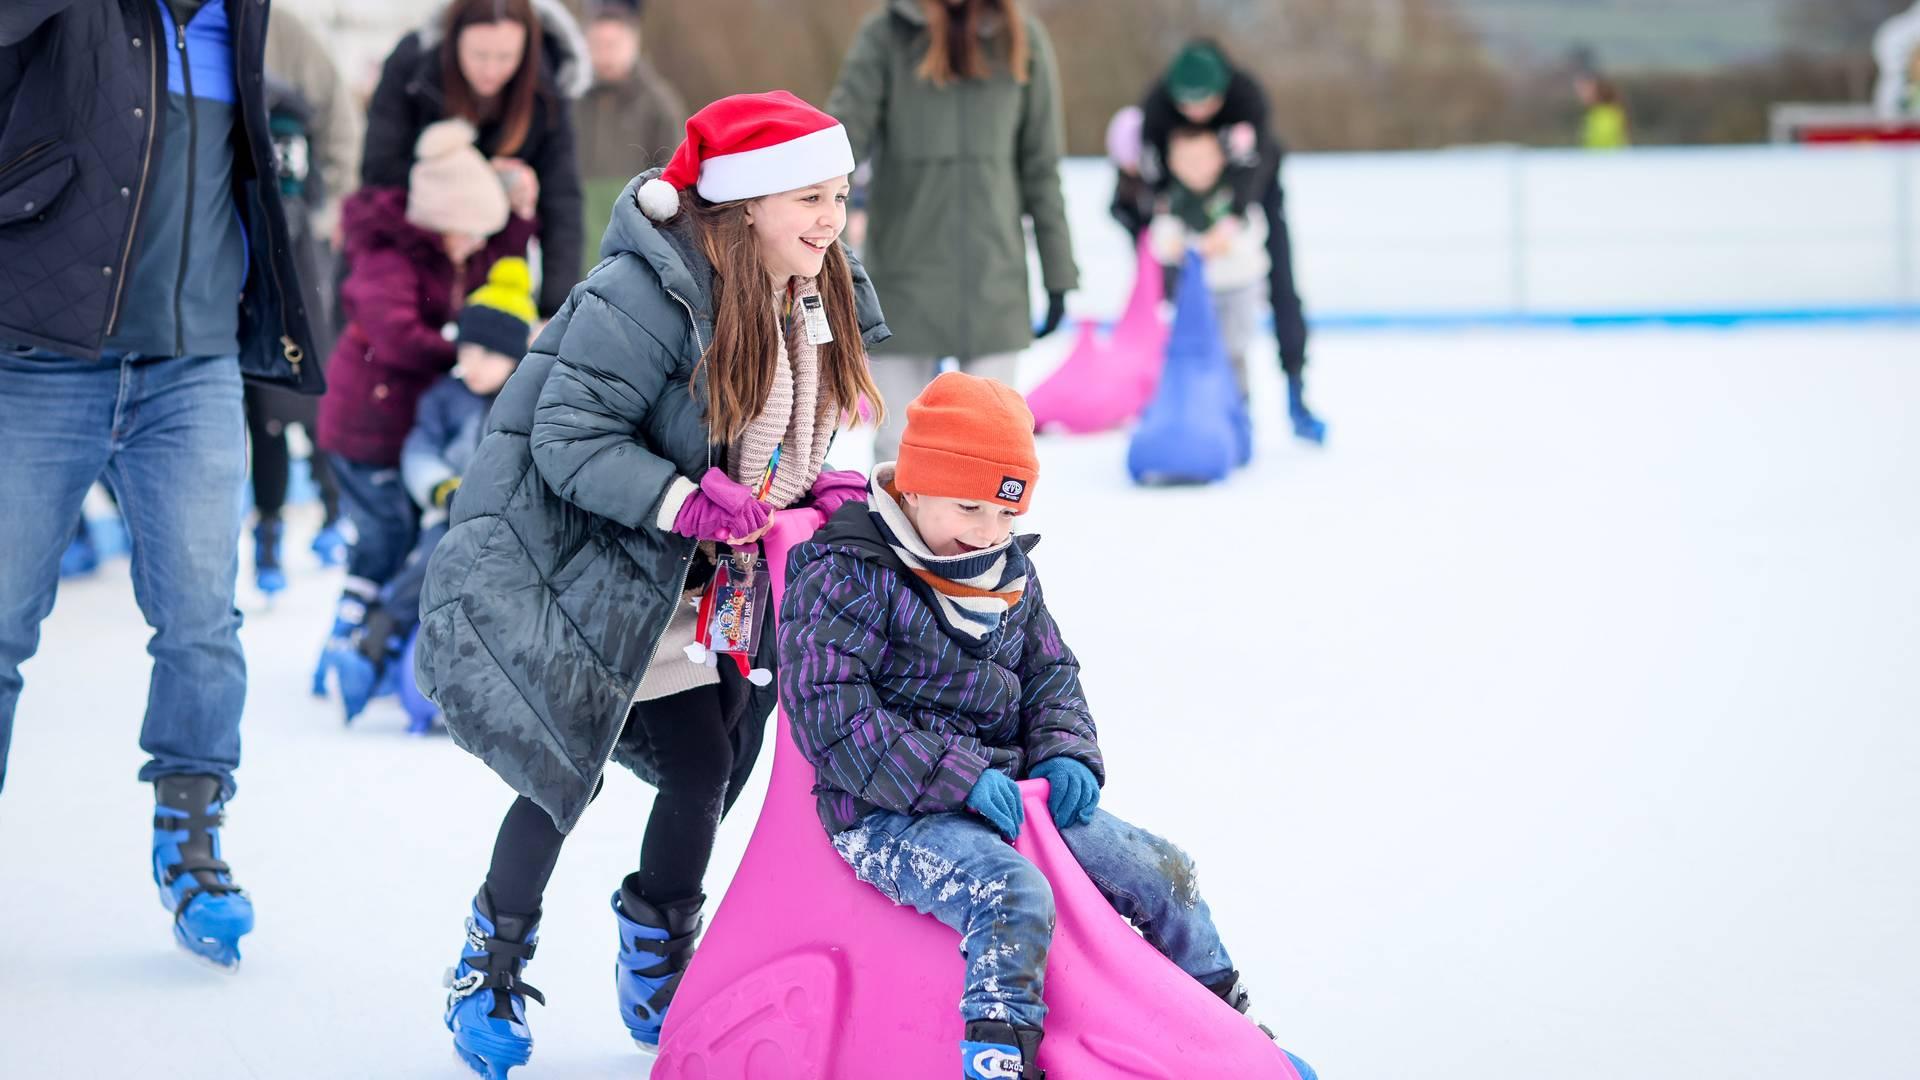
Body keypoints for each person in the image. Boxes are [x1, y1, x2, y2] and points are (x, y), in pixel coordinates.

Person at [413, 91, 889, 1078]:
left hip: (711, 580)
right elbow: (568, 436)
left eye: (838, 196)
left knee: (716, 758)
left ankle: (656, 947)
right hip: (585, 566)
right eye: (809, 197)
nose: (830, 219)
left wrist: (826, 472)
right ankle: (490, 960)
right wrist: (682, 499)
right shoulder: (646, 294)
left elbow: (821, 400)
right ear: (746, 202)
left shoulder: (809, 284)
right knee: (563, 766)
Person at [777, 373, 1306, 1080]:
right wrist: (956, 778)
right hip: (884, 815)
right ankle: (1000, 1057)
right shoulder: (847, 572)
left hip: (1013, 793)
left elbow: (1051, 672)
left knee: (1161, 869)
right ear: (913, 485)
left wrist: (1066, 753)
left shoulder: (1006, 570)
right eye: (969, 508)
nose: (988, 532)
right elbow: (832, 717)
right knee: (1011, 892)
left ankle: (1223, 1025)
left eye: (1005, 513)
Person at [0, 0, 319, 971]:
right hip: (42, 357)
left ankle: (191, 833)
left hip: (193, 366)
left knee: (200, 622)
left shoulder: (245, 18)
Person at [314, 119, 535, 713]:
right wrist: (467, 355)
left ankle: (385, 637)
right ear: (440, 217)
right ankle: (356, 633)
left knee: (410, 540)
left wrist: (517, 217)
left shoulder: (446, 247)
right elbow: (397, 336)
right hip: (364, 423)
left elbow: (504, 275)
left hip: (405, 423)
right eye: (466, 233)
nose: (471, 247)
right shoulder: (390, 259)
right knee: (387, 538)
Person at [828, 0, 1077, 459]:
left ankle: (988, 535)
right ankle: (892, 534)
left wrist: (1058, 275)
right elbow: (840, 143)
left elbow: (1041, 169)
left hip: (992, 281)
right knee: (897, 449)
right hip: (903, 281)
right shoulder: (887, 34)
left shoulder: (1023, 39)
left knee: (993, 448)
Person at [1127, 40, 1326, 445]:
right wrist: (1166, 221)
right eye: (1189, 106)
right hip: (1182, 200)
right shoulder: (1157, 109)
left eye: (1206, 104)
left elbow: (1257, 163)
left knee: (1281, 286)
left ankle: (1295, 392)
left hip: (1252, 194)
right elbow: (1150, 176)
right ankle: (1178, 400)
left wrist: (1232, 219)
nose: (1197, 113)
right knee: (1173, 303)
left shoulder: (1248, 98)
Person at [362, 0, 589, 318]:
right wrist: (484, 182)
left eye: (506, 56)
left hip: (498, 271)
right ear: (455, 40)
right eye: (479, 55)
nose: (492, 70)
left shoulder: (548, 88)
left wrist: (554, 312)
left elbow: (561, 202)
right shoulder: (413, 65)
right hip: (407, 266)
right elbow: (378, 170)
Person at [1149, 125, 1269, 398]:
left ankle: (1239, 410)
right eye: (1187, 161)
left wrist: (1228, 244)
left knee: (1233, 350)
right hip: (1198, 291)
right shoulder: (1173, 201)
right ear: (1173, 163)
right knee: (1196, 350)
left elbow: (1253, 230)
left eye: (1203, 159)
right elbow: (1160, 238)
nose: (1196, 168)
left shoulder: (1233, 194)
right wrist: (1174, 247)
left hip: (1238, 285)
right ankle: (1203, 406)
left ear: (1219, 158)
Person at [573, 0, 687, 279]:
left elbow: (674, 181)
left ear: (633, 42)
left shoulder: (659, 104)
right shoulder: (568, 98)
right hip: (576, 237)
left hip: (632, 241)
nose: (605, 53)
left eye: (614, 44)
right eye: (598, 44)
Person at [1574, 72, 1630, 150]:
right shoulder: (1595, 113)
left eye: (1585, 89)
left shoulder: (1607, 115)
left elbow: (1602, 145)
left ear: (1598, 91)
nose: (1581, 94)